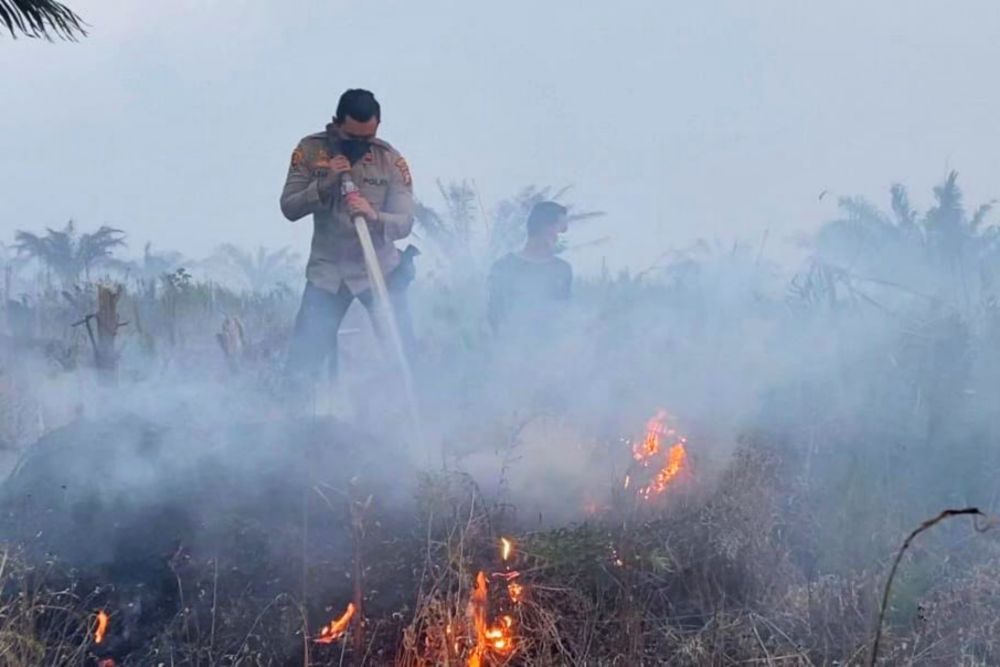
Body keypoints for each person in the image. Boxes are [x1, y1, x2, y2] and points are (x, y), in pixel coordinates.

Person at [280, 89, 416, 380]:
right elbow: (289, 207)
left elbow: (404, 223)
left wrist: (374, 215)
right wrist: (326, 183)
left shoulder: (390, 160)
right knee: (303, 363)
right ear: (337, 123)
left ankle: (411, 418)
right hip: (328, 274)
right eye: (352, 139)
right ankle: (295, 420)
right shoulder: (311, 151)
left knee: (404, 355)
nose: (361, 146)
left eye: (367, 138)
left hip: (379, 269)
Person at [487, 201, 572, 335]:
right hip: (510, 348)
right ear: (545, 229)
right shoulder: (504, 267)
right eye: (561, 230)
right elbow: (494, 317)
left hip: (551, 351)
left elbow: (564, 314)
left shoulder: (562, 270)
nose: (563, 237)